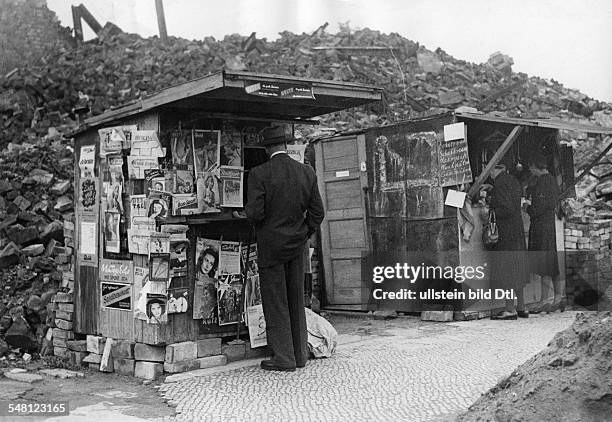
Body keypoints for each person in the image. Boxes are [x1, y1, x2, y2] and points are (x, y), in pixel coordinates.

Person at [245, 124, 325, 371]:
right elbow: (317, 213)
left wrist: (249, 214)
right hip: (296, 246)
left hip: (271, 248)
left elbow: (255, 213)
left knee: (275, 302)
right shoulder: (306, 172)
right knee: (295, 300)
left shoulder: (259, 174)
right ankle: (299, 355)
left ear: (267, 148)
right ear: (286, 146)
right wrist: (303, 232)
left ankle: (283, 357)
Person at [489, 164, 529, 320]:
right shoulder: (513, 180)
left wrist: (491, 211)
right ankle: (522, 307)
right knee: (518, 268)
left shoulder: (500, 183)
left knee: (507, 270)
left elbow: (506, 208)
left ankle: (509, 309)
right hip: (516, 232)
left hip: (505, 233)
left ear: (495, 169)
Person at [526, 154, 565, 313]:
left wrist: (527, 208)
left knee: (544, 263)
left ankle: (545, 300)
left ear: (535, 167)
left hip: (541, 226)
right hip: (549, 225)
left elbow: (539, 207)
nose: (530, 170)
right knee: (551, 262)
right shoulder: (552, 181)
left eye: (531, 168)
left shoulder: (543, 182)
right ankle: (558, 298)